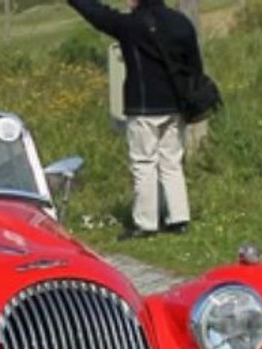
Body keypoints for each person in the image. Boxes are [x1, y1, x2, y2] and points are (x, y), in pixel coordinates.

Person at [67, 0, 199, 238]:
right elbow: (195, 66)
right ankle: (179, 218)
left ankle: (146, 223)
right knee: (171, 162)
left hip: (144, 107)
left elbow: (98, 14)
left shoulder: (130, 25)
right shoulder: (181, 23)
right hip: (175, 105)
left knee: (144, 163)